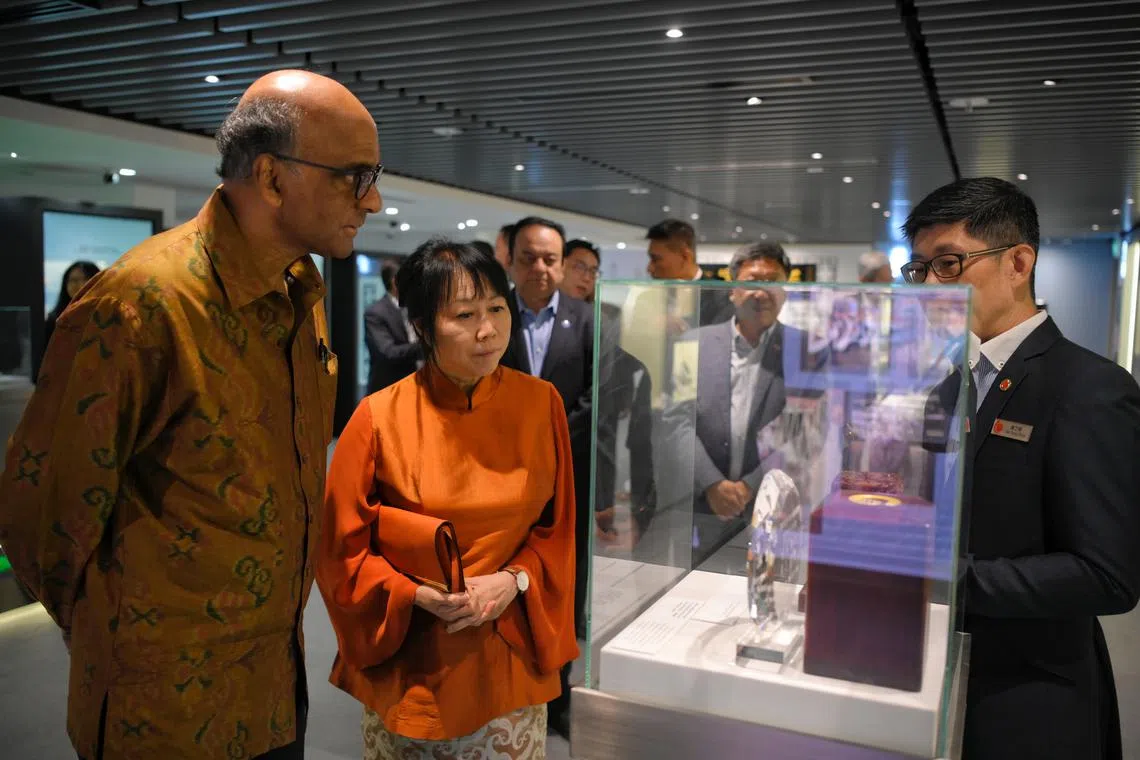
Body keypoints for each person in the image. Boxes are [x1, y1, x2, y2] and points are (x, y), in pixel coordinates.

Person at [0, 69, 383, 759]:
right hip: (164, 717)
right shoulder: (141, 305)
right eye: (354, 177)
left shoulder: (301, 293)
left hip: (274, 693)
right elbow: (43, 514)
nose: (374, 200)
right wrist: (111, 636)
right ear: (272, 178)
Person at [903, 177, 1140, 760]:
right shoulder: (947, 388)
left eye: (950, 263)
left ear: (1018, 262)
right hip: (938, 667)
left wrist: (945, 578)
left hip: (1031, 691)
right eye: (920, 269)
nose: (933, 285)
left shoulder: (1089, 388)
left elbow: (1108, 575)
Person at [317, 238, 577, 760]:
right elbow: (340, 550)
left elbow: (558, 528)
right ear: (421, 326)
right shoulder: (377, 417)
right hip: (416, 657)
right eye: (464, 314)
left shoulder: (540, 402)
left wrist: (514, 579)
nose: (488, 330)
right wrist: (412, 593)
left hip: (510, 649)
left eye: (497, 309)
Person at [498, 216, 595, 737]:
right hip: (499, 479)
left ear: (562, 263)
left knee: (563, 588)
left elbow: (595, 394)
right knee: (505, 580)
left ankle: (558, 696)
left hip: (566, 481)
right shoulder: (491, 315)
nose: (540, 267)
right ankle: (513, 685)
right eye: (529, 257)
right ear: (510, 260)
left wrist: (549, 435)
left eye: (550, 259)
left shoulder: (587, 318)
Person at [656, 242, 799, 566]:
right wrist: (712, 483)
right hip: (703, 507)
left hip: (774, 508)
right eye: (752, 281)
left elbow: (804, 430)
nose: (761, 292)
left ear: (785, 291)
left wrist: (749, 487)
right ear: (733, 290)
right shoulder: (691, 343)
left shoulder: (807, 350)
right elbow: (676, 420)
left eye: (771, 280)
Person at [363, 259, 421, 394]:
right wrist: (425, 345)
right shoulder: (376, 313)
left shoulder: (413, 307)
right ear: (395, 282)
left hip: (415, 388)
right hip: (389, 389)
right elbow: (388, 352)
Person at [44, 260, 100, 350]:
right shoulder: (54, 320)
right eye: (74, 280)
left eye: (87, 279)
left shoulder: (109, 317)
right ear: (65, 285)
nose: (81, 285)